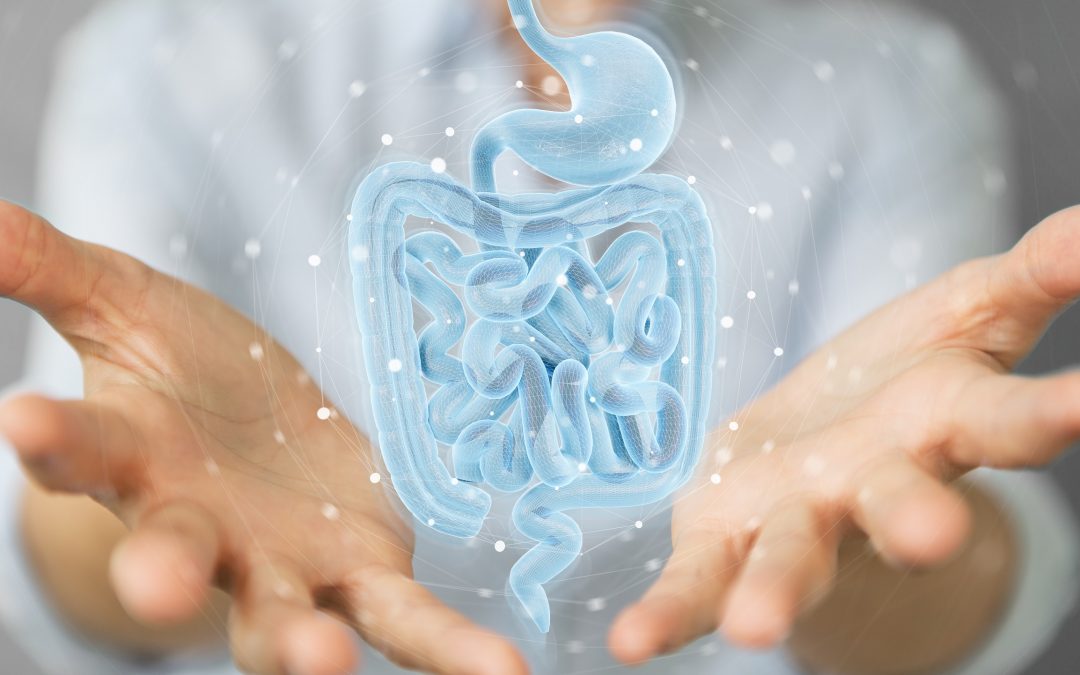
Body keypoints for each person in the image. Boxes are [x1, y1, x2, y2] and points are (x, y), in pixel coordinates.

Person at [0, 0, 1077, 673]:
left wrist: (873, 546)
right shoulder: (168, 58)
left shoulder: (888, 86)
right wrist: (158, 507)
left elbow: (958, 585)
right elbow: (88, 542)